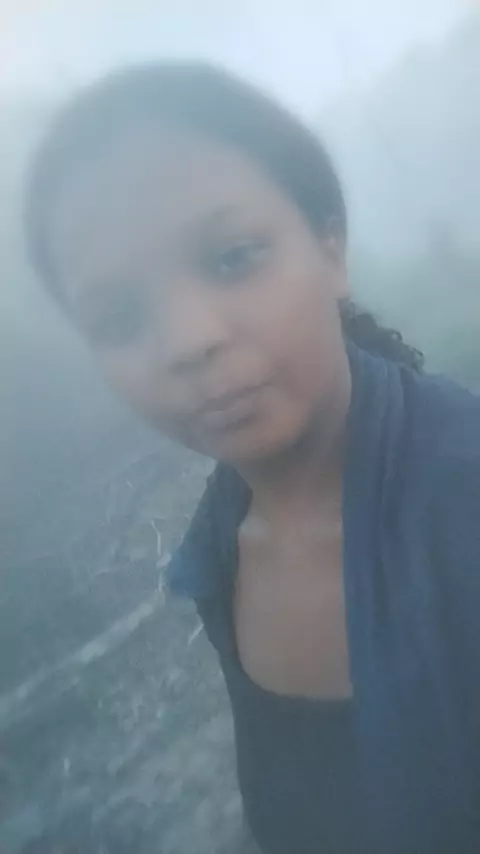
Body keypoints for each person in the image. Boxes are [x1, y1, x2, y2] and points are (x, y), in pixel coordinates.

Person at [24, 62, 480, 854]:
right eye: (121, 319)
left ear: (329, 243)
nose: (188, 340)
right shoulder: (218, 553)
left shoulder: (462, 500)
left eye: (234, 257)